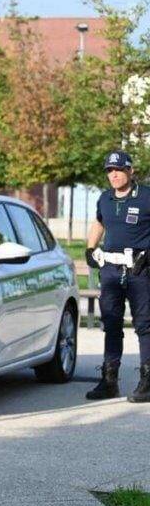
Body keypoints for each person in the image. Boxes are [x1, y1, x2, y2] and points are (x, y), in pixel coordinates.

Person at [85, 150, 150, 403]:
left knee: (144, 325)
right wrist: (90, 248)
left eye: (119, 169)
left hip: (140, 268)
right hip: (111, 270)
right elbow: (99, 222)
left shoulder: (146, 196)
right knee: (111, 324)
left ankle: (147, 381)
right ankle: (109, 381)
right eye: (110, 170)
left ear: (130, 171)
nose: (113, 174)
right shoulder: (104, 198)